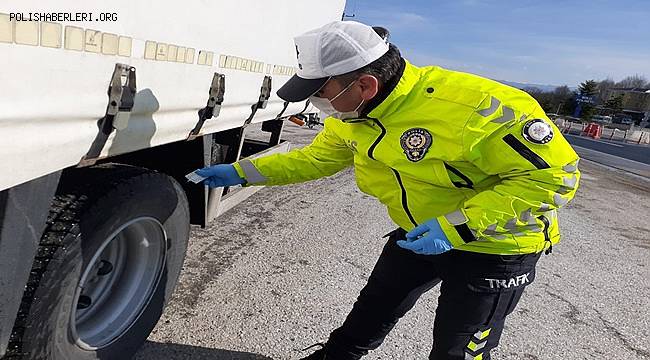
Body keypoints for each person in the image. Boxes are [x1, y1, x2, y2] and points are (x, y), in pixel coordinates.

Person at [195, 21, 580, 360]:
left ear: (365, 84)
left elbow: (553, 177)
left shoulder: (479, 108)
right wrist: (241, 171)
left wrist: (460, 226)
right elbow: (315, 160)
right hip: (420, 232)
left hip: (494, 248)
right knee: (371, 311)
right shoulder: (354, 114)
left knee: (457, 348)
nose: (317, 104)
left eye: (320, 93)